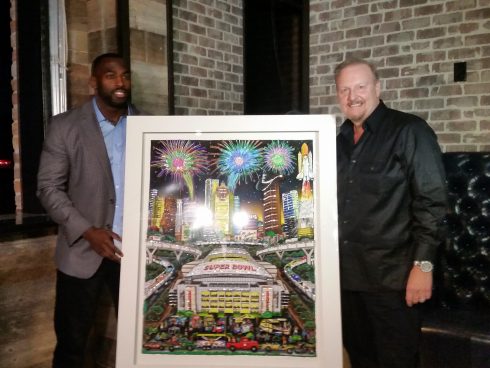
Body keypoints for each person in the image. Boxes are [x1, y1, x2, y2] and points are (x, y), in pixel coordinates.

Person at [335, 58, 448, 368]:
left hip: (393, 281)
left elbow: (432, 202)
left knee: (397, 361)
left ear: (377, 88)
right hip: (346, 281)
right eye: (344, 89)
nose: (352, 95)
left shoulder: (409, 130)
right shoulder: (338, 142)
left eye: (360, 86)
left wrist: (423, 266)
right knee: (361, 359)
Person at [37, 53, 142, 367]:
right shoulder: (65, 126)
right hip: (83, 250)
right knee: (72, 345)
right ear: (94, 83)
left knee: (142, 342)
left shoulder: (148, 126)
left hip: (137, 255)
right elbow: (48, 188)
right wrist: (87, 230)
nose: (120, 83)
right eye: (110, 75)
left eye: (125, 75)